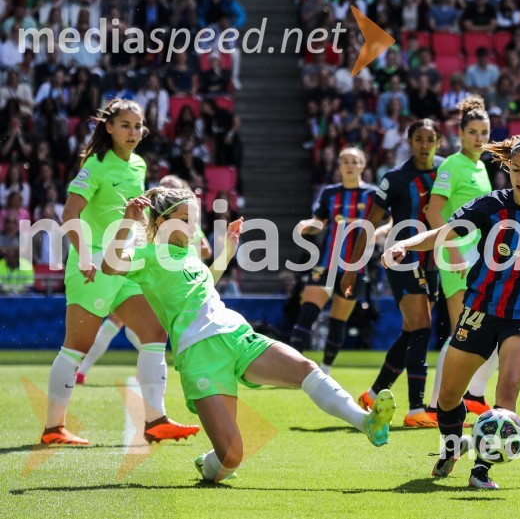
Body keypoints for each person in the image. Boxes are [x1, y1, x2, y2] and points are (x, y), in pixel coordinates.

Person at [101, 187, 396, 482]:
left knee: (305, 368)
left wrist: (228, 251)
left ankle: (366, 422)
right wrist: (128, 221)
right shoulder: (148, 256)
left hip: (236, 334)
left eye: (195, 219)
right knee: (231, 458)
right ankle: (209, 463)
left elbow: (203, 285)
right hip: (200, 355)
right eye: (185, 219)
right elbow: (110, 265)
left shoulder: (189, 255)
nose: (193, 226)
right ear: (162, 221)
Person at [382, 133, 520, 489]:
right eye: (515, 169)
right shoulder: (491, 205)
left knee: (509, 385)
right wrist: (405, 243)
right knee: (448, 398)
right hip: (481, 310)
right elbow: (446, 232)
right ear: (508, 168)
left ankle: (482, 468)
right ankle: (452, 446)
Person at [41, 98, 200, 446]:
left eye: (138, 126)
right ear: (109, 127)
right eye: (125, 125)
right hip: (93, 265)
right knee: (77, 346)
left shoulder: (138, 164)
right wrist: (84, 256)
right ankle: (54, 428)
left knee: (155, 332)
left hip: (124, 261)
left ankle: (156, 420)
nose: (133, 132)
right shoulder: (95, 165)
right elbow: (69, 213)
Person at [342, 120, 444, 428]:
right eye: (418, 139)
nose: (424, 145)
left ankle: (373, 394)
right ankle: (416, 410)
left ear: (438, 142)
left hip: (434, 260)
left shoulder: (446, 171)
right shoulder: (395, 178)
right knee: (423, 327)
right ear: (409, 142)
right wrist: (352, 268)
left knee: (412, 331)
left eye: (429, 139)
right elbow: (369, 223)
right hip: (402, 258)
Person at [75, 175, 213, 384]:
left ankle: (143, 372)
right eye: (163, 187)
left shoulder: (184, 217)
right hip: (141, 271)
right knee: (138, 329)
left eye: (170, 188)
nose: (165, 190)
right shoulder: (155, 215)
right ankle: (142, 373)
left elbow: (206, 250)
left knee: (141, 330)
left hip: (155, 275)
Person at [425, 95, 496, 418]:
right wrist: (451, 249)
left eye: (484, 132)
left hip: (478, 257)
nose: (479, 138)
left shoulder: (481, 167)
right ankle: (435, 405)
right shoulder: (452, 165)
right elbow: (433, 211)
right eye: (473, 132)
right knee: (461, 332)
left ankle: (474, 397)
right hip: (456, 257)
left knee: (482, 331)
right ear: (460, 134)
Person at [288, 147, 389, 362]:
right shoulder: (329, 193)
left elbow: (391, 221)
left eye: (354, 161)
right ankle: (293, 367)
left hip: (355, 268)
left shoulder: (373, 194)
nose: (349, 165)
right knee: (307, 313)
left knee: (338, 322)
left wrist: (379, 233)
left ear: (363, 166)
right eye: (345, 161)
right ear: (339, 166)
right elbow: (319, 223)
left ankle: (325, 369)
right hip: (326, 264)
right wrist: (307, 225)